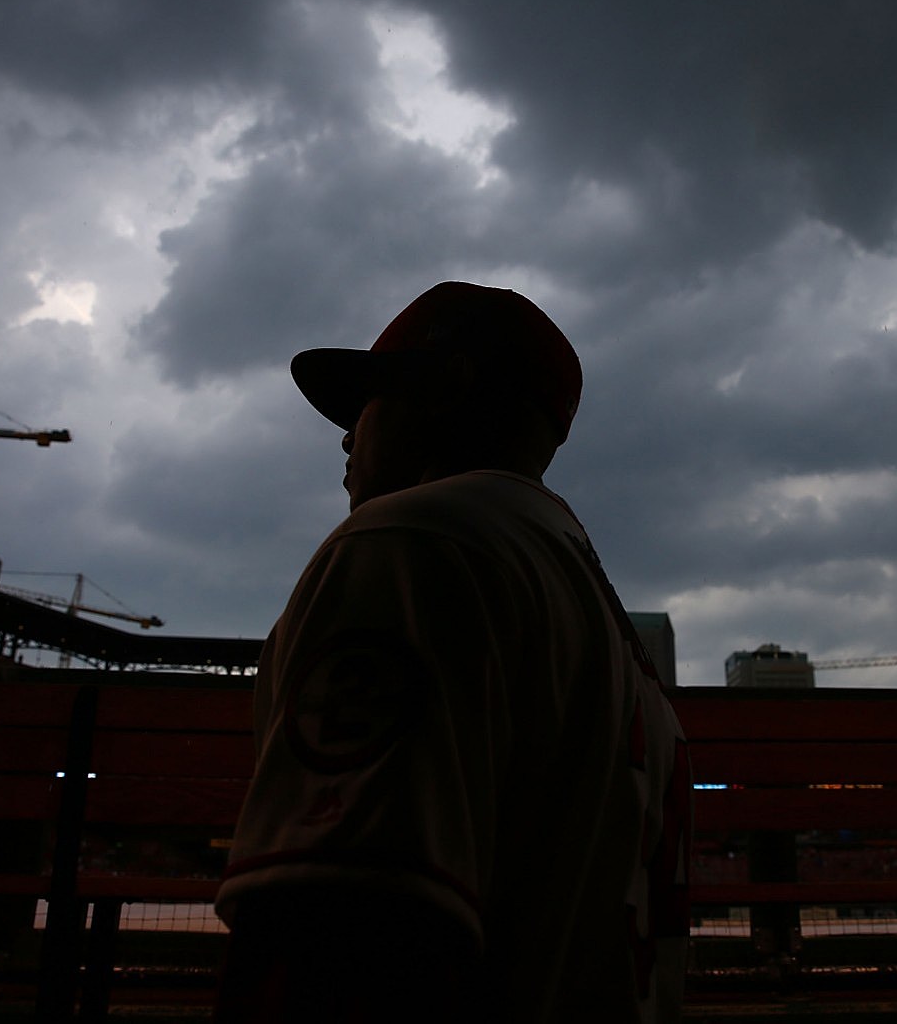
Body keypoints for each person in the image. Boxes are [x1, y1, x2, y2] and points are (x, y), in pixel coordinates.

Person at [214, 282, 690, 1023]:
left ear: (443, 389)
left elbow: (340, 929)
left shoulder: (414, 540)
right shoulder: (597, 607)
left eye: (367, 401)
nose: (346, 436)